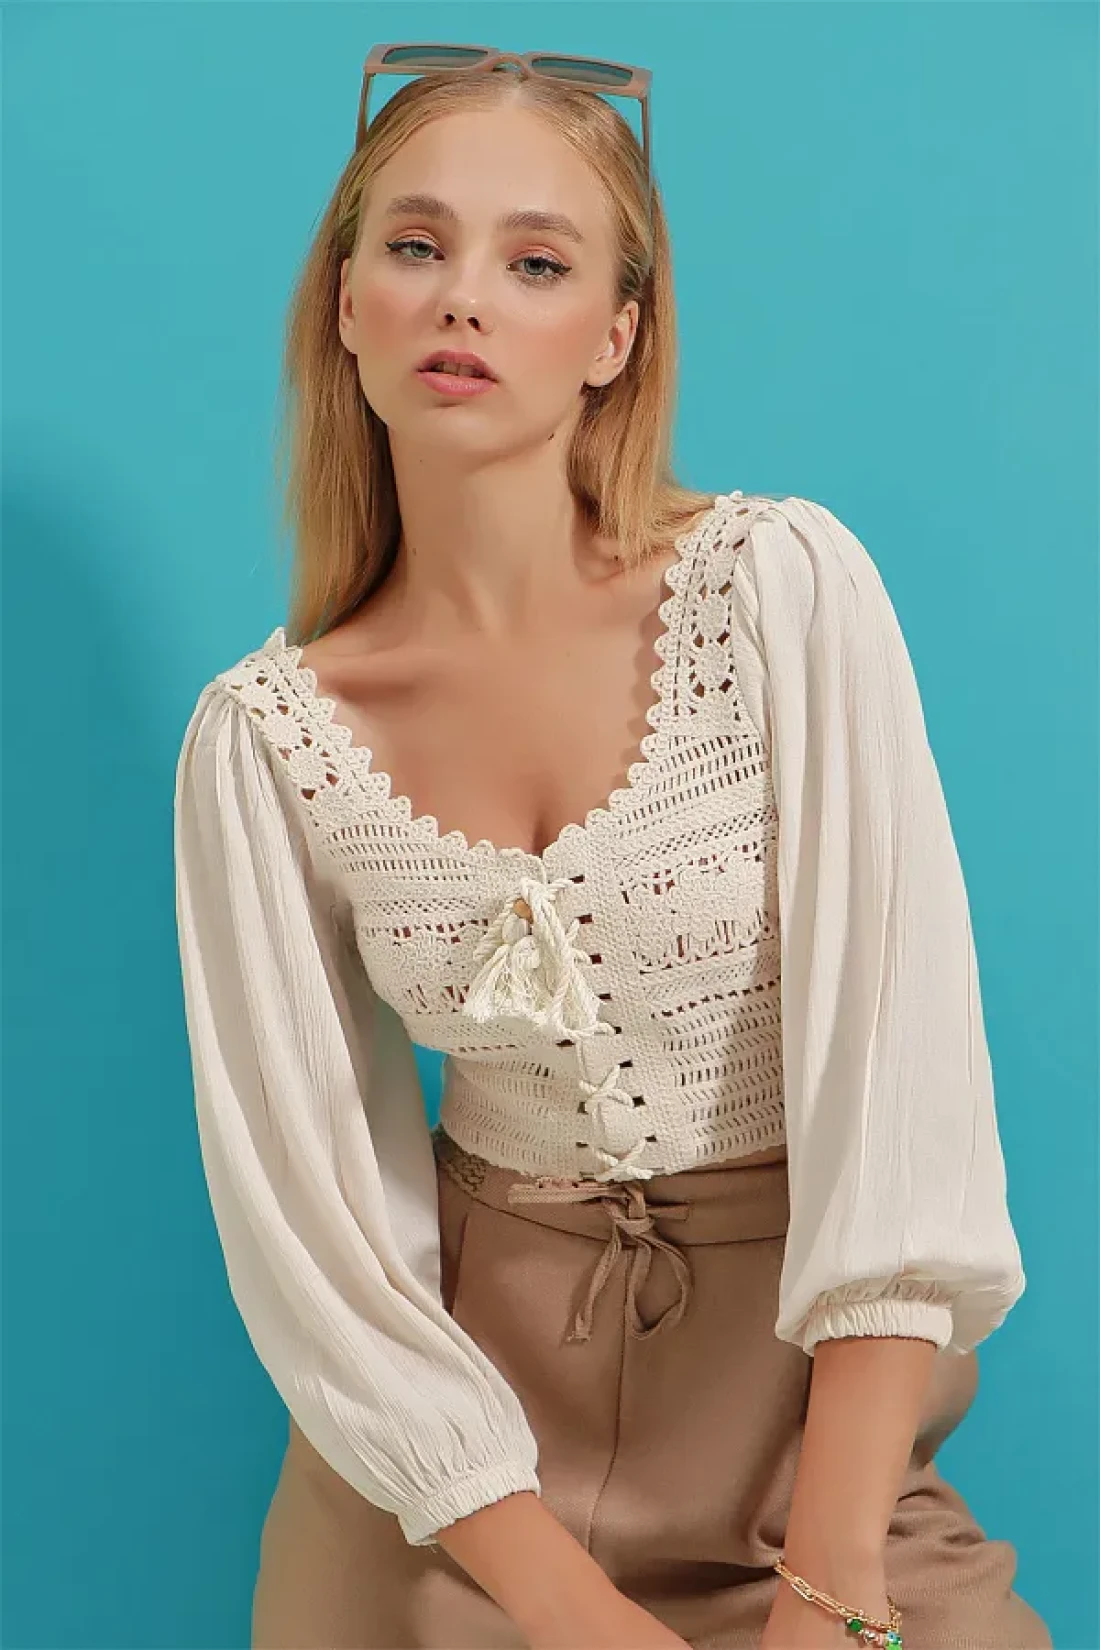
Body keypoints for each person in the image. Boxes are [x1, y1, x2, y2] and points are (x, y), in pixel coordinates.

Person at [172, 46, 1053, 1650]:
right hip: (456, 1470)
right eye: (416, 246)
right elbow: (319, 1235)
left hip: (800, 1440)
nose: (463, 298)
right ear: (347, 304)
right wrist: (571, 1612)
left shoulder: (781, 593)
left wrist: (831, 1580)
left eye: (537, 263)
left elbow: (901, 1101)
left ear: (616, 337)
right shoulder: (263, 741)